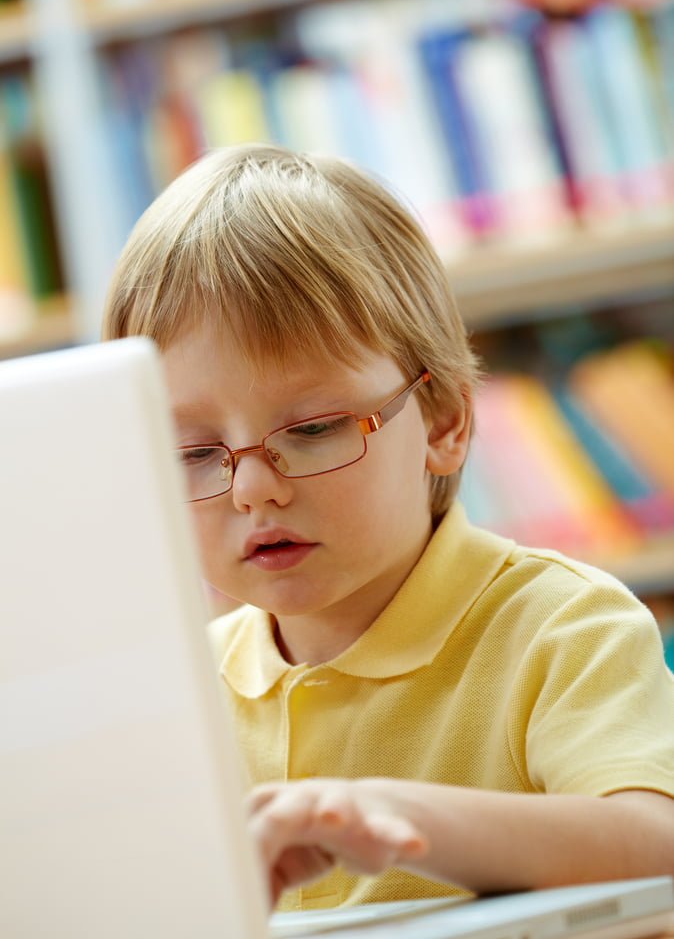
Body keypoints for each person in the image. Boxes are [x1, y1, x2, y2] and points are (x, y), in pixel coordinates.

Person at [101, 144, 674, 912]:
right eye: (195, 453)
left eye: (313, 428)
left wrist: (401, 817)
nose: (252, 487)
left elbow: (655, 844)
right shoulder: (183, 693)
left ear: (442, 422)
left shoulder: (564, 627)